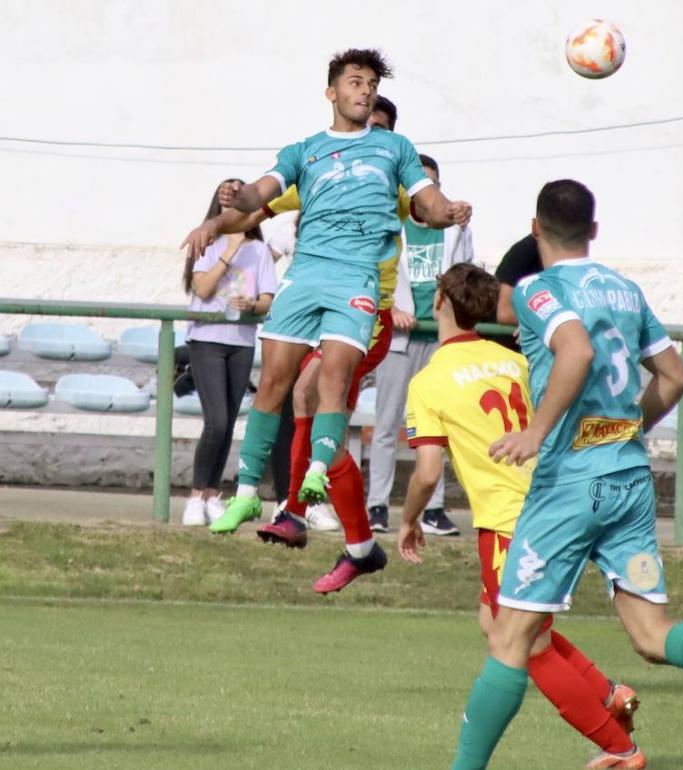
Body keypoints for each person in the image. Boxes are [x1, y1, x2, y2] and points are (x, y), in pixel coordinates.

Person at [449, 181, 683, 769]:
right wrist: (625, 429)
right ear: (594, 231)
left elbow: (575, 353)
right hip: (628, 488)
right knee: (651, 634)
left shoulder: (537, 292)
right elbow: (673, 376)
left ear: (536, 229)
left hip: (568, 488)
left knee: (509, 637)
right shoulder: (626, 291)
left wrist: (536, 431)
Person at [177, 49, 471, 586]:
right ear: (332, 91)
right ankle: (306, 515)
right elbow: (258, 201)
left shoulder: (393, 161)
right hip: (309, 279)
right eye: (355, 83)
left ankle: (309, 507)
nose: (365, 93)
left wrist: (446, 210)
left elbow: (428, 204)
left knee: (317, 390)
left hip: (370, 303)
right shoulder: (308, 156)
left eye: (371, 86)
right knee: (289, 389)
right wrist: (220, 217)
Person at [397, 262, 642, 765]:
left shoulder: (430, 381)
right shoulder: (516, 360)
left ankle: (619, 748)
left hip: (509, 520)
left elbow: (426, 473)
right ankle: (608, 692)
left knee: (526, 646)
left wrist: (407, 520)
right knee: (495, 620)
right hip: (553, 500)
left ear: (440, 301)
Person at [365, 151, 474, 536]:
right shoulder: (391, 226)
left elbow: (465, 274)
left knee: (436, 425)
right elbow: (374, 274)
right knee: (387, 422)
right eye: (421, 188)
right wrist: (392, 307)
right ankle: (377, 503)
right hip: (401, 339)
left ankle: (433, 508)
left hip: (440, 338)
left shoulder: (454, 228)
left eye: (435, 188)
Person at [180, 180, 277, 526]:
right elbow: (203, 288)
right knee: (216, 420)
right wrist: (229, 250)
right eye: (228, 204)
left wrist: (252, 304)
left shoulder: (261, 251)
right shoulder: (207, 242)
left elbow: (268, 299)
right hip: (206, 339)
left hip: (241, 342)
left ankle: (211, 494)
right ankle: (195, 496)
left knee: (228, 423)